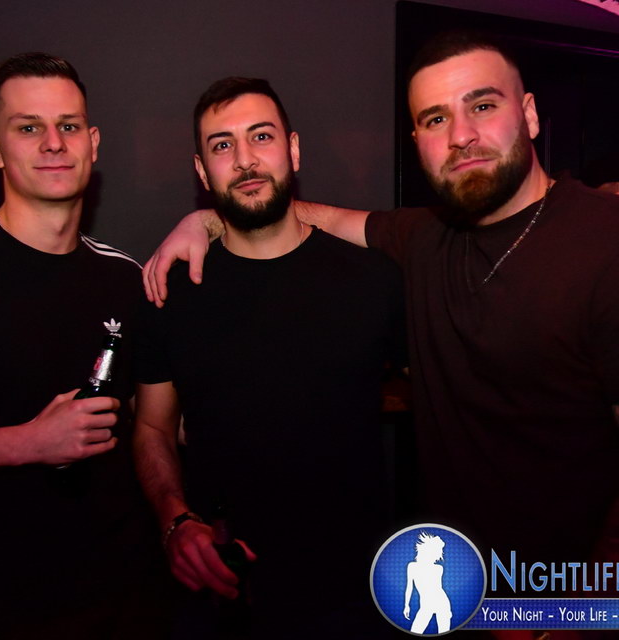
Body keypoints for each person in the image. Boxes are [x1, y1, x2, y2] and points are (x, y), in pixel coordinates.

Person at [142, 30, 619, 607]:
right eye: (436, 118)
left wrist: (578, 611)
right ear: (418, 140)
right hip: (453, 579)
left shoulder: (604, 240)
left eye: (483, 106)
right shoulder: (421, 239)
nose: (461, 135)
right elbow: (295, 211)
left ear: (531, 114)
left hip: (565, 596)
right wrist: (209, 219)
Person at [133, 76, 405, 639]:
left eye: (261, 136)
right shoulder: (171, 291)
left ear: (293, 149)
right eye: (223, 144)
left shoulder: (373, 280)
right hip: (224, 589)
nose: (245, 159)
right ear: (202, 171)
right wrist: (174, 520)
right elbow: (152, 428)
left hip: (355, 589)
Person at [0, 53, 167, 639]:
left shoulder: (125, 278)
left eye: (68, 125)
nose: (54, 143)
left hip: (121, 594)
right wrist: (25, 443)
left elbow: (151, 425)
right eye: (28, 127)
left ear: (93, 142)